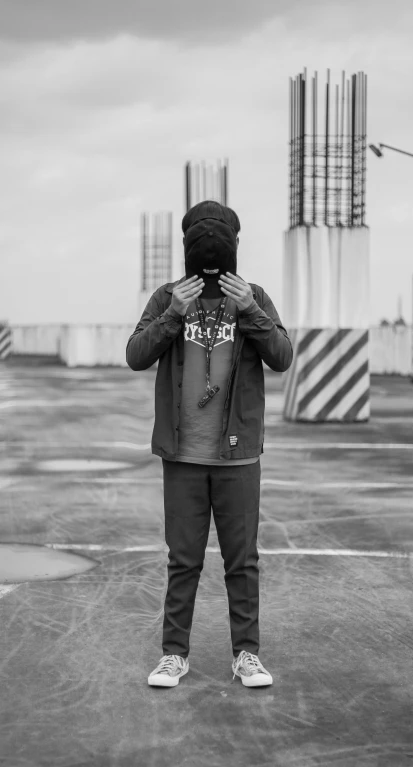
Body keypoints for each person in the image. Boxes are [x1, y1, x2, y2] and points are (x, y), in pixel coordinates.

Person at [126, 200, 293, 688]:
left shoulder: (253, 295)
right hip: (182, 455)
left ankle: (247, 655)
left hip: (238, 455)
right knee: (184, 561)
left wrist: (251, 310)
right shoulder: (166, 297)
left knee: (243, 561)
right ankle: (174, 654)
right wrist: (173, 315)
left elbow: (282, 356)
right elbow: (136, 354)